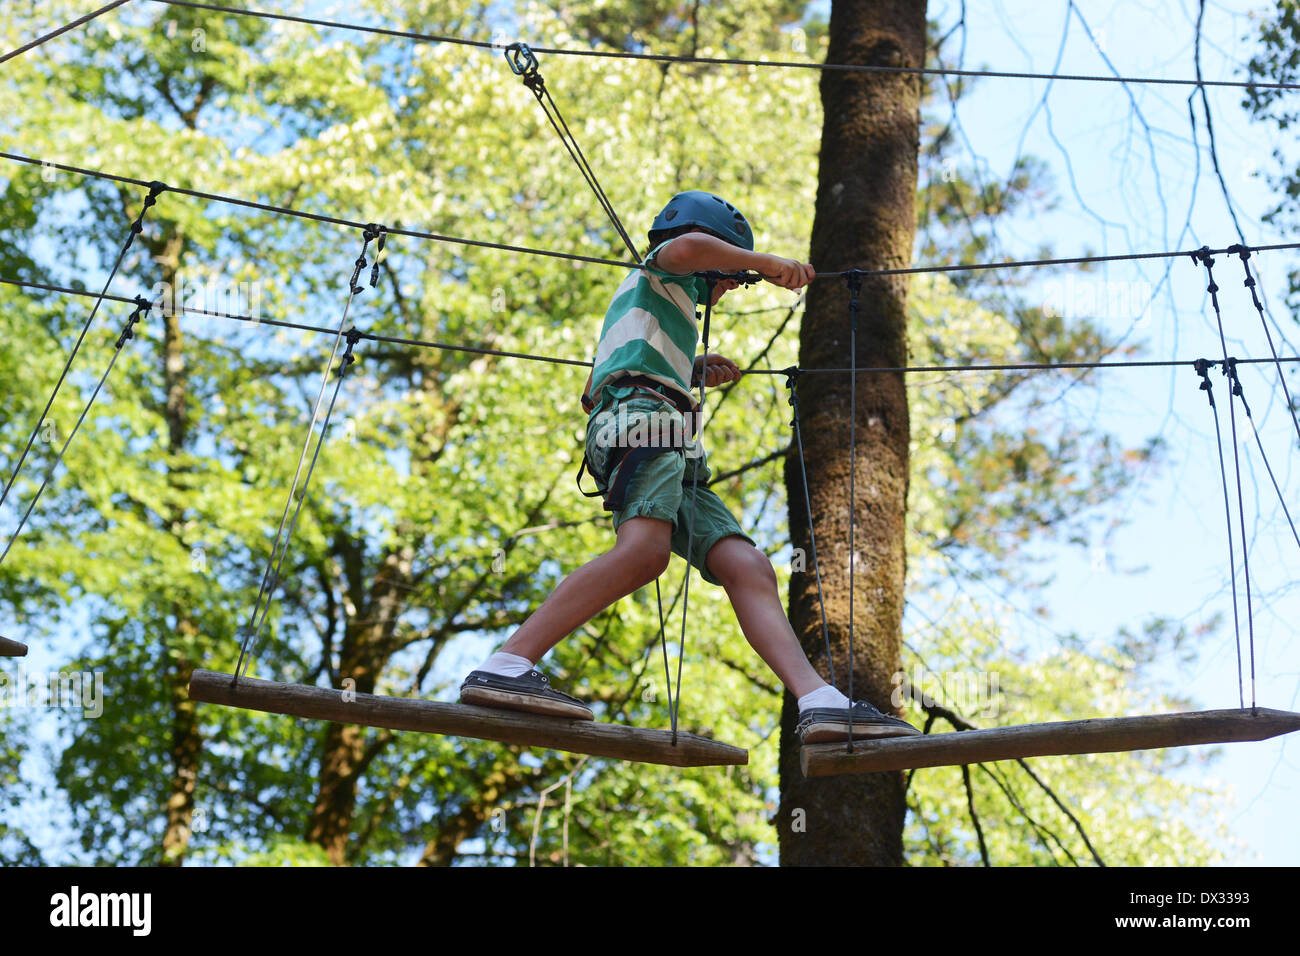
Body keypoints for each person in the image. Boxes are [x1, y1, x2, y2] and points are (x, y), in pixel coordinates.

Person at [460, 190, 919, 744]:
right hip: (644, 422)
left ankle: (819, 702)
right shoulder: (664, 268)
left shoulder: (654, 309)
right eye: (731, 277)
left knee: (747, 565)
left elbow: (598, 385)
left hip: (667, 434)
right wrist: (768, 264)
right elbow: (684, 250)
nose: (730, 287)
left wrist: (686, 369)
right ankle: (508, 663)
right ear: (713, 252)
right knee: (646, 552)